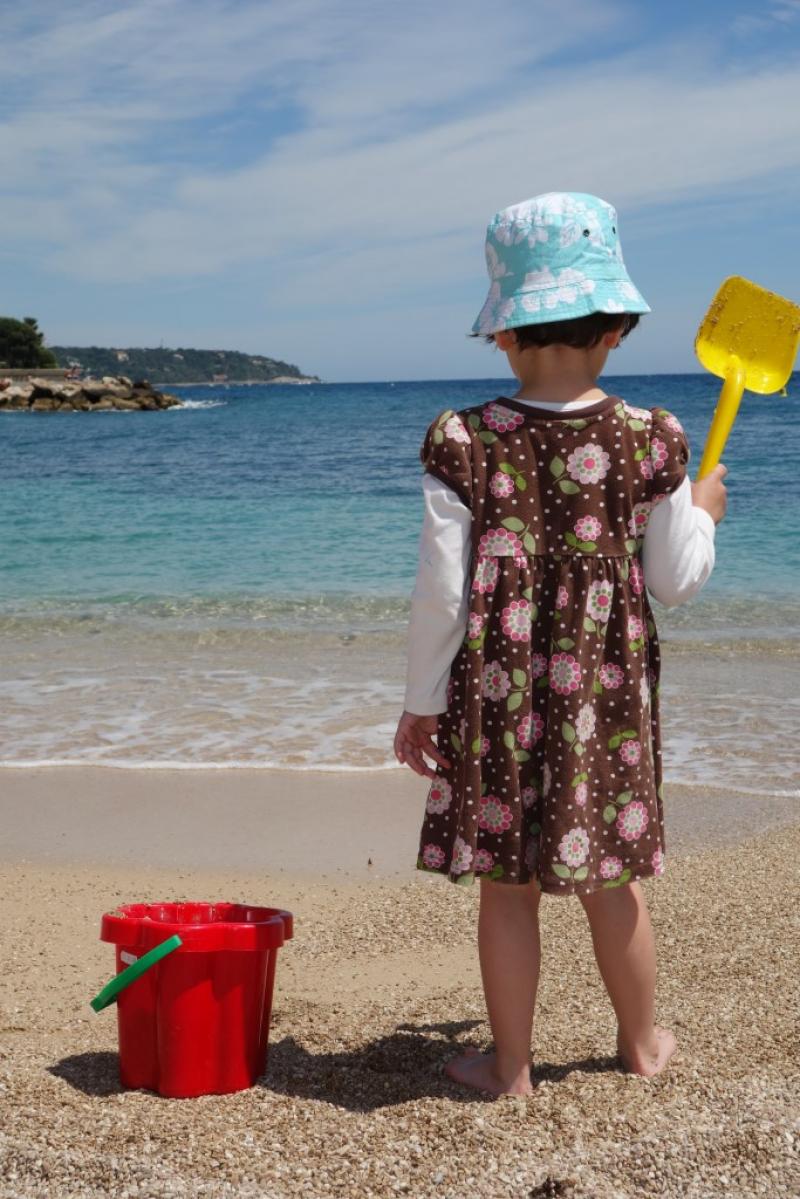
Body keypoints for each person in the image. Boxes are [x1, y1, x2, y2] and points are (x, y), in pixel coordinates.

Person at [393, 192, 728, 1097]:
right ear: (616, 326)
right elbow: (673, 580)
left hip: (497, 703)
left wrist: (422, 698)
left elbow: (445, 593)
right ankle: (642, 1042)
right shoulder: (651, 436)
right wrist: (702, 513)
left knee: (507, 886)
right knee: (609, 879)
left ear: (502, 333)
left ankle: (510, 1068)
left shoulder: (463, 438)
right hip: (604, 704)